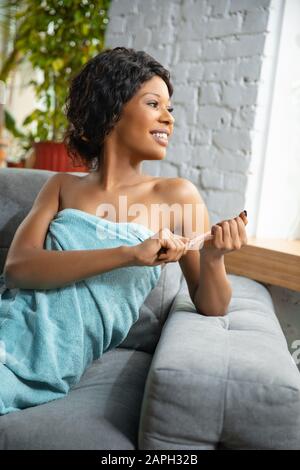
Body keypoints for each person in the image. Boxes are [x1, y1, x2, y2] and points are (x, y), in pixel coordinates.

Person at [0, 47, 248, 414]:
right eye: (154, 104)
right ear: (112, 109)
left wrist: (213, 259)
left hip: (44, 361)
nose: (168, 119)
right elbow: (19, 269)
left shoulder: (176, 196)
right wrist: (129, 254)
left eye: (170, 109)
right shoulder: (61, 187)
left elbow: (212, 306)